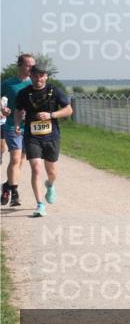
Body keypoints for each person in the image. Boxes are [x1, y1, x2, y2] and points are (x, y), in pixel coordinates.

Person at [13, 63, 72, 218]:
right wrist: (18, 124)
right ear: (30, 76)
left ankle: (50, 185)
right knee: (36, 168)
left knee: (51, 172)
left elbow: (68, 110)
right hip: (32, 137)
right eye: (35, 75)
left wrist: (51, 115)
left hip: (52, 136)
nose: (38, 79)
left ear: (46, 76)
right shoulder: (24, 93)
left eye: (41, 76)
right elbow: (18, 110)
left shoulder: (55, 91)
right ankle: (40, 205)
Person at [2, 54, 37, 207]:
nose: (31, 68)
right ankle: (15, 194)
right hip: (12, 125)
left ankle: (7, 185)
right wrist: (2, 108)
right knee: (15, 159)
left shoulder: (34, 83)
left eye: (33, 65)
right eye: (28, 65)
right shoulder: (8, 83)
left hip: (29, 126)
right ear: (20, 65)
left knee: (21, 161)